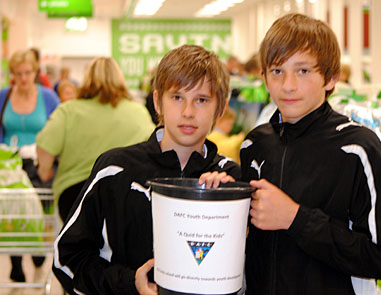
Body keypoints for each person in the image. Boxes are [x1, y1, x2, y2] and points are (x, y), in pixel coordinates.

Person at [52, 45, 241, 295]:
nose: (188, 112)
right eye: (177, 98)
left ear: (220, 107)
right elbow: (67, 258)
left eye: (202, 100)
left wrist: (227, 200)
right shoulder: (115, 169)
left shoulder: (231, 179)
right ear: (157, 102)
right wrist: (129, 283)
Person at [240, 13, 381, 294]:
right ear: (264, 79)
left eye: (303, 71)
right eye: (277, 71)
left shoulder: (359, 148)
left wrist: (296, 219)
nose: (288, 85)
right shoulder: (254, 145)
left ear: (330, 78)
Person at [36, 57, 156, 223]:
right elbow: (154, 150)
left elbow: (44, 146)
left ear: (87, 78)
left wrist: (45, 171)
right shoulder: (138, 112)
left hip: (75, 196)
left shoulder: (68, 111)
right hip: (124, 197)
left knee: (78, 245)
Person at [0, 49, 59, 283]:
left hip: (39, 163)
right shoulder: (4, 95)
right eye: (18, 74)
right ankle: (15, 262)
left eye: (27, 73)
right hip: (10, 163)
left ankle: (36, 250)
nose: (23, 79)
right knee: (12, 209)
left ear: (35, 72)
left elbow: (57, 130)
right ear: (12, 74)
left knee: (39, 208)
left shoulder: (48, 98)